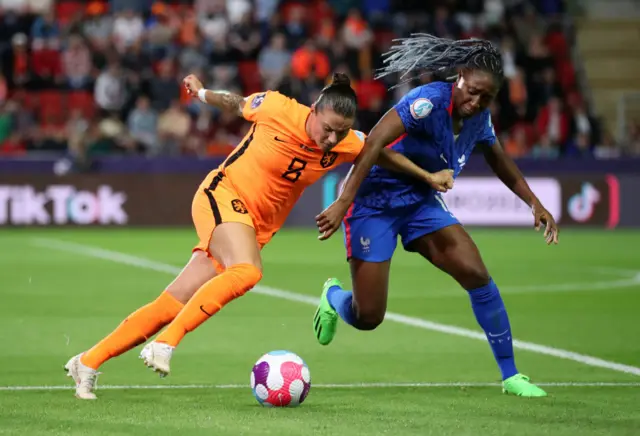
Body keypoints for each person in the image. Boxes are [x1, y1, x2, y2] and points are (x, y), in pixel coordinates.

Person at [64, 72, 454, 400]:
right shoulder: (278, 108)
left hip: (251, 225)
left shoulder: (347, 142)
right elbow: (235, 103)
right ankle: (167, 343)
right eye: (328, 128)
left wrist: (427, 176)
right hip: (222, 193)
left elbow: (380, 153)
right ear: (314, 110)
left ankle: (88, 362)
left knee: (171, 302)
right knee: (248, 271)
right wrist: (200, 92)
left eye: (340, 133)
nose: (332, 140)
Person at [312, 35, 559, 397]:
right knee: (368, 317)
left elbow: (499, 160)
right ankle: (333, 297)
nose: (476, 102)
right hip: (375, 202)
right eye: (473, 91)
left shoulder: (479, 119)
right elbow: (373, 143)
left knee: (476, 272)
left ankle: (511, 375)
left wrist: (533, 202)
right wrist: (342, 202)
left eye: (486, 98)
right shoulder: (427, 102)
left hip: (420, 203)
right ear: (459, 77)